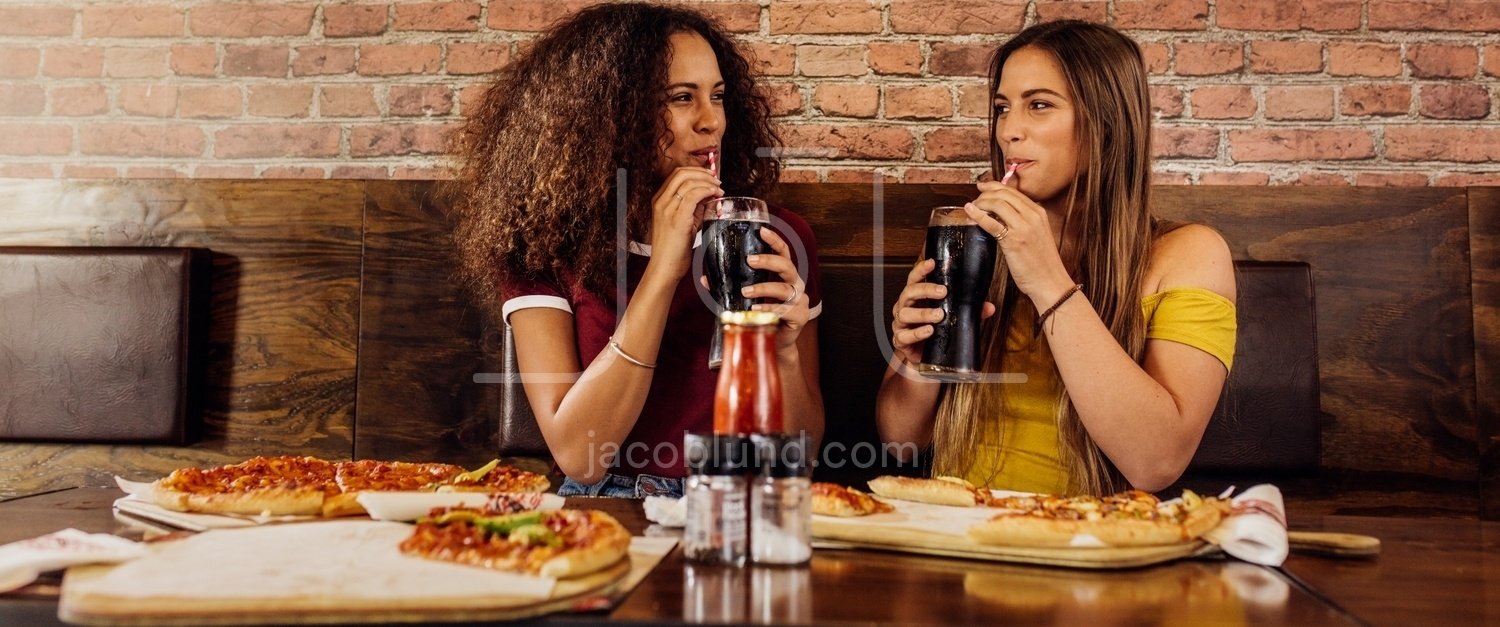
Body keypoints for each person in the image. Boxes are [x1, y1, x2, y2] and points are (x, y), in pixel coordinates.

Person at [449, 3, 824, 498]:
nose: (711, 121)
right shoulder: (542, 246)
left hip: (740, 501)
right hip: (609, 502)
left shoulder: (772, 237)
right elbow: (579, 455)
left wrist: (784, 359)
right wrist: (665, 268)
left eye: (718, 95)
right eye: (681, 98)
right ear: (610, 114)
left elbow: (801, 455)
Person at [875, 20, 1236, 496]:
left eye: (1039, 105)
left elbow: (1157, 462)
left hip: (1089, 542)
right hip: (957, 530)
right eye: (1002, 109)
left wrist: (1046, 278)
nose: (1009, 131)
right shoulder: (965, 241)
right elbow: (901, 443)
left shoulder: (1189, 254)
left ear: (1106, 122)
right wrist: (912, 359)